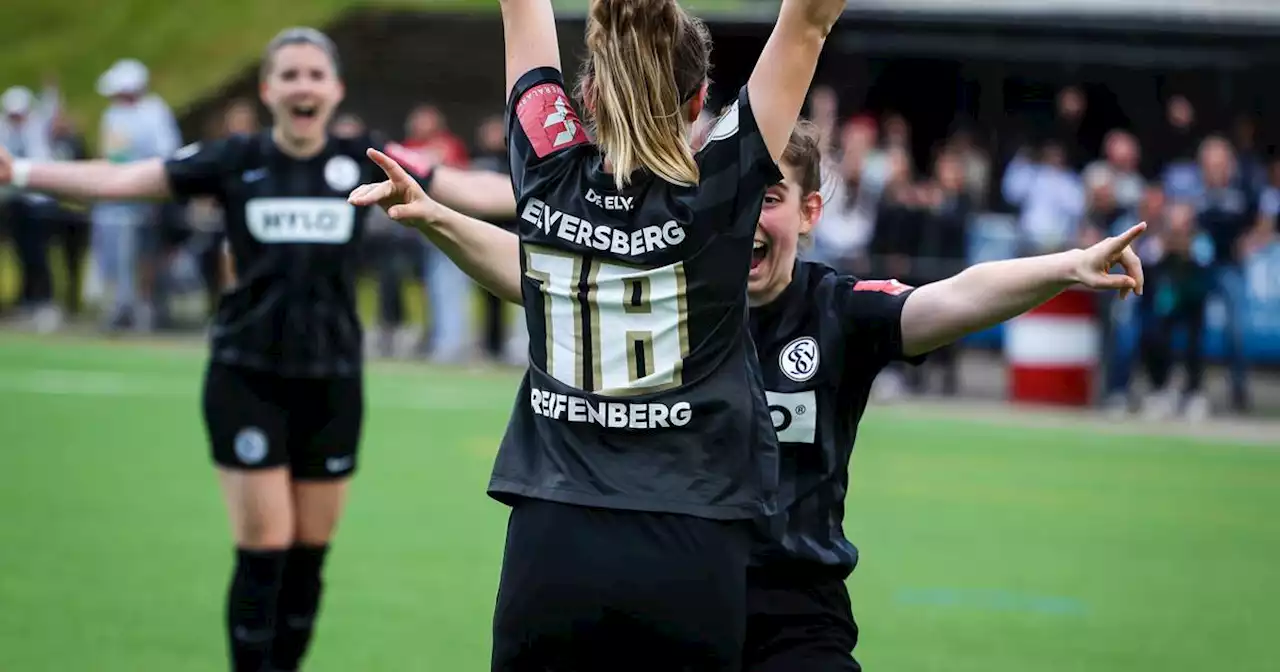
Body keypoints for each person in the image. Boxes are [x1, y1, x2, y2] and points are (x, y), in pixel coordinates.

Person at [351, 119, 1146, 670]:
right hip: (674, 592)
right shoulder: (666, 297)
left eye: (770, 198)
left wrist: (1065, 267)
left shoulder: (838, 308)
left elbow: (953, 297)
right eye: (737, 198)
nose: (749, 218)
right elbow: (542, 277)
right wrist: (433, 219)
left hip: (795, 610)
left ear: (809, 211)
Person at [0, 27, 516, 672]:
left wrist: (573, 187)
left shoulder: (367, 158)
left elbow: (473, 189)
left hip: (332, 380)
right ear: (269, 88)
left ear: (335, 90)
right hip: (247, 375)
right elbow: (121, 179)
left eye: (314, 74)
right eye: (290, 75)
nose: (303, 86)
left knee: (307, 556)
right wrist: (18, 169)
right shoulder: (235, 157)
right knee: (264, 548)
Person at [353, 0, 844, 666]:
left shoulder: (548, 168)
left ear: (585, 94)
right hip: (692, 548)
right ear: (700, 102)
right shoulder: (722, 193)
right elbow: (808, 20)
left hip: (552, 546)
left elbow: (521, 8)